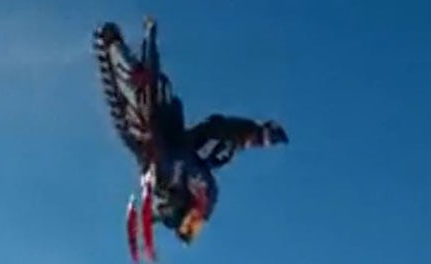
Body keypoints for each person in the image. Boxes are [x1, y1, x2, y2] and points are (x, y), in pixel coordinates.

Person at [93, 17, 288, 249]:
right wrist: (259, 134)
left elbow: (174, 204)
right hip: (166, 135)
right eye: (192, 225)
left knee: (157, 134)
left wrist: (154, 215)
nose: (193, 223)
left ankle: (126, 66)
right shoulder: (203, 182)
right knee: (173, 122)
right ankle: (123, 58)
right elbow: (222, 134)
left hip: (159, 150)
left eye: (190, 226)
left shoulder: (192, 190)